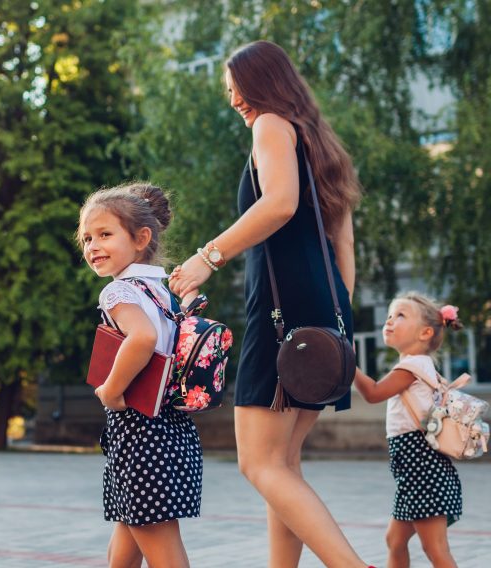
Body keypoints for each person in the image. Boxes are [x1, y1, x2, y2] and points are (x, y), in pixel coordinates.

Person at [169, 41, 374, 567]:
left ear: (262, 82)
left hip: (283, 311)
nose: (232, 97)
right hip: (324, 309)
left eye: (235, 85)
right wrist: (339, 319)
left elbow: (278, 204)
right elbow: (343, 244)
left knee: (257, 463)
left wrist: (206, 258)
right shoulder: (321, 145)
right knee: (282, 463)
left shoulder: (271, 126)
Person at [77, 182, 203, 568]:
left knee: (162, 547)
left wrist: (111, 389)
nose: (92, 246)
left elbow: (143, 338)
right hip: (170, 427)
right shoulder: (160, 292)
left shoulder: (118, 293)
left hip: (139, 431)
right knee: (125, 547)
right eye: (86, 238)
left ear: (141, 238)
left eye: (104, 234)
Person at [354, 293, 463, 568]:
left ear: (426, 332)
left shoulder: (412, 365)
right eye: (390, 315)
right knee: (395, 540)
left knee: (435, 549)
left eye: (400, 315)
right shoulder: (420, 366)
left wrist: (347, 364)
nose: (390, 320)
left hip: (423, 471)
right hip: (416, 471)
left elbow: (373, 392)